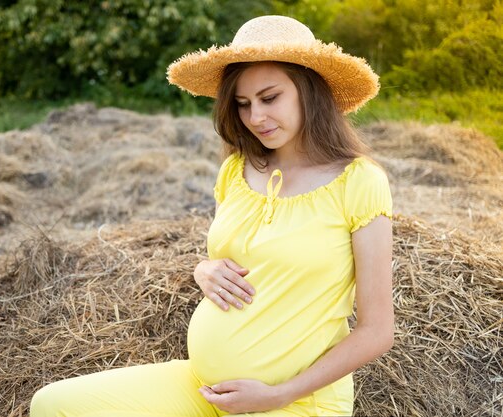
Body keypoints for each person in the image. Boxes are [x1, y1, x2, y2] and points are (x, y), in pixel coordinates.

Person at [30, 15, 393, 417]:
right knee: (52, 405)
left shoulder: (358, 181)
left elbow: (377, 331)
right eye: (242, 104)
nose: (255, 117)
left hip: (294, 403)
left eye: (270, 98)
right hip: (206, 389)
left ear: (309, 91)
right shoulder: (236, 171)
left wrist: (279, 394)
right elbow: (238, 258)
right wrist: (203, 270)